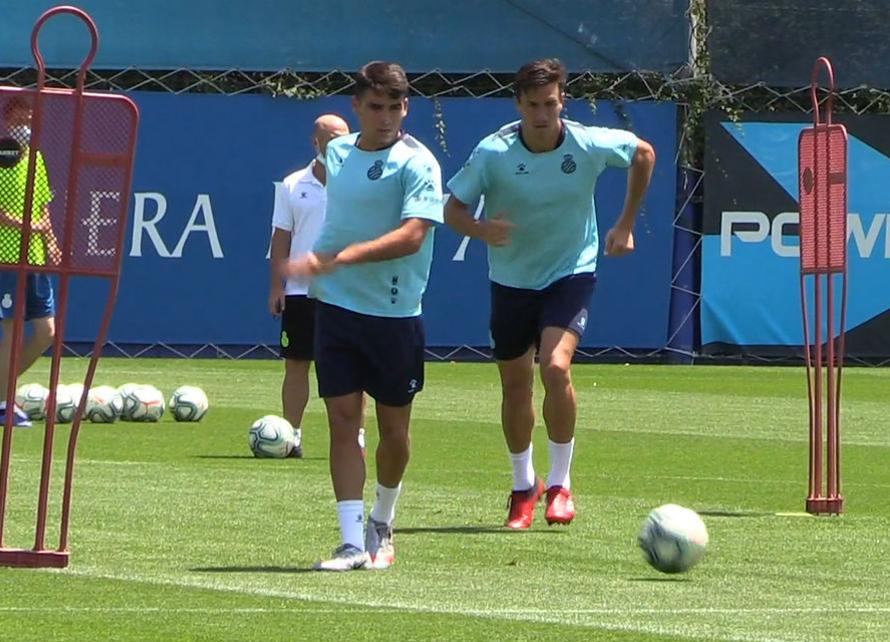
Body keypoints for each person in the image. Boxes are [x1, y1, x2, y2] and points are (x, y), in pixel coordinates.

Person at [444, 58, 656, 529]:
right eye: (534, 105)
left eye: (552, 104)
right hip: (511, 281)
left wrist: (624, 224)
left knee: (555, 366)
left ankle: (560, 484)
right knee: (515, 384)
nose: (543, 114)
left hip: (571, 273)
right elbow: (452, 208)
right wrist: (480, 229)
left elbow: (643, 154)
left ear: (563, 102)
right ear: (518, 103)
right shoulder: (492, 153)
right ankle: (524, 486)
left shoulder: (585, 142)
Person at [283, 61, 443, 571]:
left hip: (395, 313)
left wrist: (346, 255)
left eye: (394, 106)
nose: (385, 116)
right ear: (357, 107)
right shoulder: (336, 152)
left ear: (405, 108)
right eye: (375, 106)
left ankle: (383, 518)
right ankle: (351, 542)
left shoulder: (418, 163)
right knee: (342, 420)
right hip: (334, 306)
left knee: (394, 432)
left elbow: (414, 234)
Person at [267, 113, 362, 458]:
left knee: (352, 366)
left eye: (343, 137)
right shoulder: (293, 184)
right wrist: (277, 287)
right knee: (296, 363)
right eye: (330, 137)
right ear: (315, 141)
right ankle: (291, 437)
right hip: (300, 291)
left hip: (346, 289)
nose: (337, 144)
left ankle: (357, 437)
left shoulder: (358, 182)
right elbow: (281, 238)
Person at [0, 95, 62, 428]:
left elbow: (42, 206)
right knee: (12, 331)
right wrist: (23, 225)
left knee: (46, 332)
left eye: (29, 120)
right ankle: (3, 408)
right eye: (18, 120)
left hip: (36, 258)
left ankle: (2, 386)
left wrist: (50, 239)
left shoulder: (37, 159)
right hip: (6, 256)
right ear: (7, 122)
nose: (25, 126)